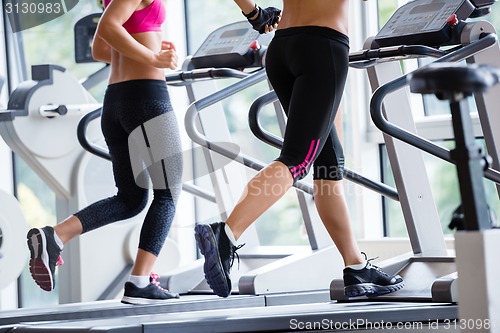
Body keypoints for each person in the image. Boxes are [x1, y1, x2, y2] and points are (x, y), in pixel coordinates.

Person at [194, 0, 404, 298]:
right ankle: (226, 235)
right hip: (322, 45)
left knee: (328, 161)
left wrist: (254, 13)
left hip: (283, 48)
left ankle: (356, 266)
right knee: (296, 160)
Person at [26, 0, 183, 305]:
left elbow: (100, 48)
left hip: (117, 103)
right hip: (146, 98)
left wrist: (148, 52)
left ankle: (55, 237)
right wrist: (154, 57)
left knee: (131, 198)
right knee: (168, 193)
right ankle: (139, 283)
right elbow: (107, 28)